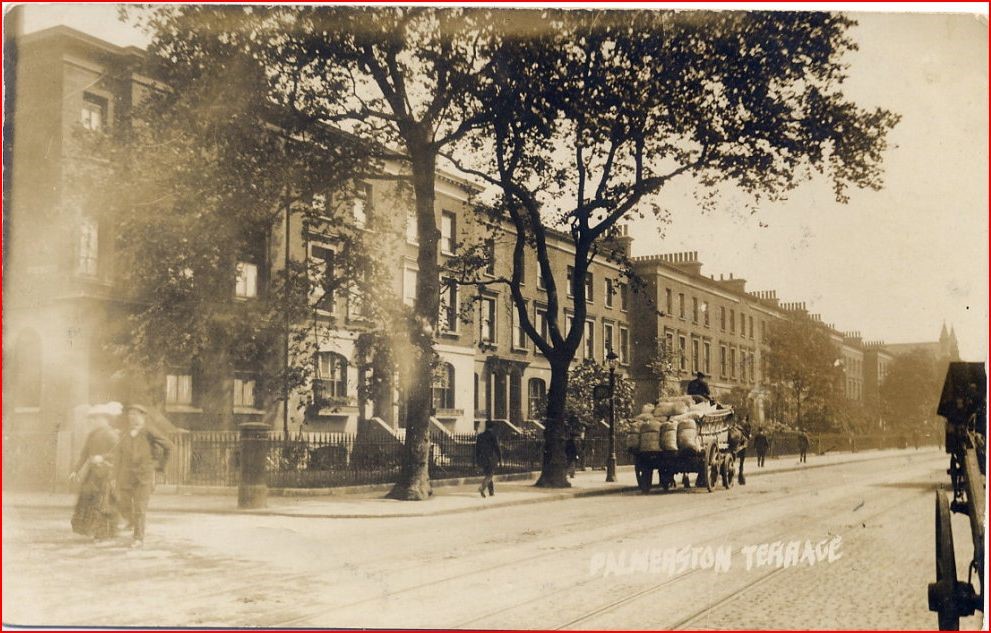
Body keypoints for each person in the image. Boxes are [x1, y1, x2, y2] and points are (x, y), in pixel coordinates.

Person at [114, 404, 173, 548]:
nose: (131, 417)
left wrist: (160, 466)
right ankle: (132, 521)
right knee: (123, 503)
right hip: (126, 476)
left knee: (140, 507)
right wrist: (115, 475)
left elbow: (169, 446)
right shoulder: (125, 433)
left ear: (143, 416)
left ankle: (138, 538)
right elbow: (118, 455)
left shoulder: (149, 431)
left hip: (144, 476)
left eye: (135, 414)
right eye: (130, 414)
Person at [70, 403, 122, 541]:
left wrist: (103, 457)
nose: (95, 421)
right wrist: (75, 470)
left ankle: (105, 533)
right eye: (94, 418)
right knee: (89, 501)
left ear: (106, 419)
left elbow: (119, 455)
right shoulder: (92, 436)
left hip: (107, 474)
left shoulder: (112, 435)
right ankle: (94, 531)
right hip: (92, 474)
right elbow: (84, 454)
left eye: (98, 418)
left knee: (104, 503)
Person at [474, 422, 502, 497]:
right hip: (492, 458)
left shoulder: (480, 436)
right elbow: (497, 448)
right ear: (492, 427)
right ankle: (482, 488)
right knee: (490, 475)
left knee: (488, 474)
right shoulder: (493, 436)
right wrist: (500, 458)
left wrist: (477, 459)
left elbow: (477, 449)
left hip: (482, 458)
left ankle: (491, 491)